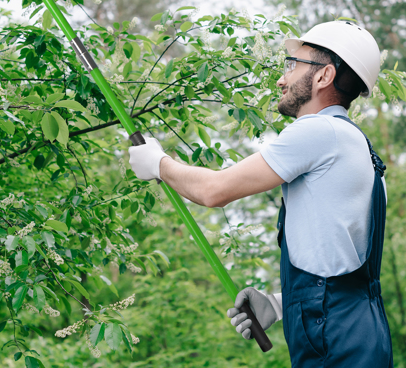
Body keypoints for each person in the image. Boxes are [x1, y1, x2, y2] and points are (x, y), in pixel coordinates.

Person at [128, 21, 393, 367]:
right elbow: (342, 266)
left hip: (336, 342)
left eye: (293, 65)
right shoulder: (361, 150)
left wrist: (158, 163)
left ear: (324, 76)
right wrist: (281, 303)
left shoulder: (318, 131)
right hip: (362, 334)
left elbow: (213, 191)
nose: (282, 79)